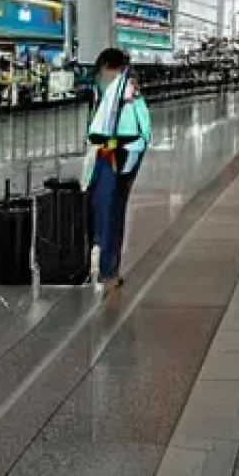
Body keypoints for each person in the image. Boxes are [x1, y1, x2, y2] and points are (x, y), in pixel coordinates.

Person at [86, 48, 152, 295]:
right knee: (113, 209)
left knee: (106, 208)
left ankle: (105, 269)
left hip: (114, 152)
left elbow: (104, 127)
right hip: (128, 152)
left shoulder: (116, 87)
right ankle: (108, 269)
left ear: (106, 67)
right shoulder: (128, 87)